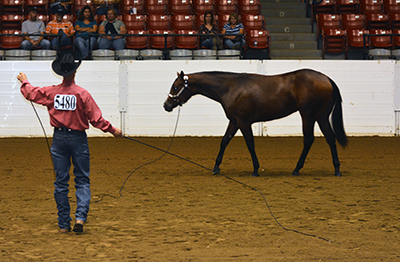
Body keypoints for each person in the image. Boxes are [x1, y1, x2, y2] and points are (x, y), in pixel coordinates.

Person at [17, 52, 123, 234]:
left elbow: (31, 93)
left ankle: (64, 223)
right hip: (78, 139)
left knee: (61, 182)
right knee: (82, 180)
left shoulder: (52, 92)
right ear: (74, 72)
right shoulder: (82, 94)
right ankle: (80, 217)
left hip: (59, 139)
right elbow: (96, 119)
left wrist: (25, 81)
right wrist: (113, 130)